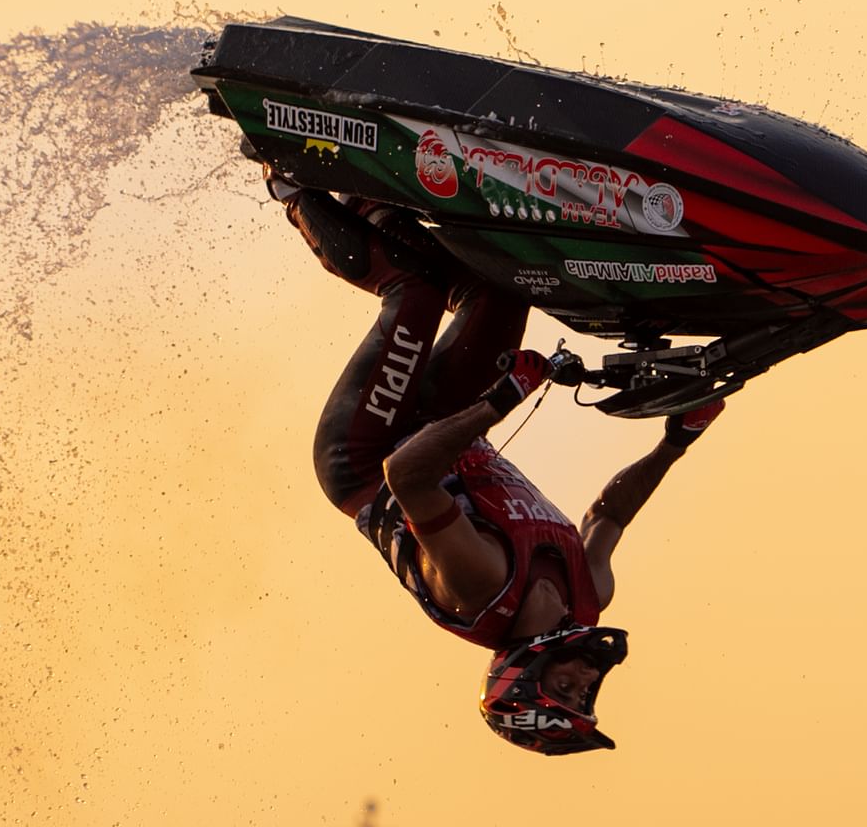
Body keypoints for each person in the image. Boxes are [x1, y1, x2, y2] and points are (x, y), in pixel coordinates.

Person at [278, 179, 724, 755]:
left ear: (523, 676)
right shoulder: (589, 596)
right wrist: (674, 444)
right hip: (443, 424)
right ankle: (366, 180)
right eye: (588, 695)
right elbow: (608, 516)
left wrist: (502, 398)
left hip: (368, 451)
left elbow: (406, 475)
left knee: (415, 289)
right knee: (501, 288)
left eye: (567, 689)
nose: (588, 680)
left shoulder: (480, 587)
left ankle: (291, 185)